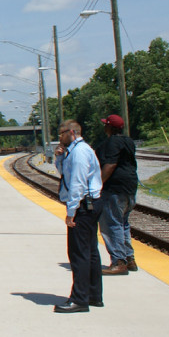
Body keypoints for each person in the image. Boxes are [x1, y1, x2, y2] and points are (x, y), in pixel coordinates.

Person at [53, 120, 103, 313]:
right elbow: (66, 175)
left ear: (72, 132)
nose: (59, 137)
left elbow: (77, 184)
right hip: (89, 204)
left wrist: (71, 212)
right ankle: (93, 295)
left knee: (79, 254)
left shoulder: (80, 152)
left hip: (83, 206)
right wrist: (59, 159)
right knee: (90, 252)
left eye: (62, 133)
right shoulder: (73, 152)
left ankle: (79, 299)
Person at [96, 113, 138, 275]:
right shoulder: (129, 141)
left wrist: (98, 185)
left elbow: (110, 164)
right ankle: (129, 259)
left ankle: (118, 262)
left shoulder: (112, 142)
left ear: (109, 127)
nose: (104, 126)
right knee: (123, 224)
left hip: (114, 188)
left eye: (105, 124)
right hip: (130, 187)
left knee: (111, 224)